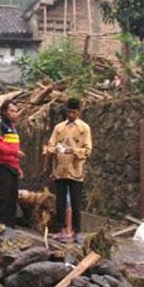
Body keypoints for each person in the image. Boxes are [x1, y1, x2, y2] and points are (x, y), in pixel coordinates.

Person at [46, 98, 92, 243]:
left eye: (74, 112)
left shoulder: (84, 129)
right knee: (60, 202)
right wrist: (55, 150)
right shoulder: (59, 128)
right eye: (69, 112)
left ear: (79, 112)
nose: (71, 114)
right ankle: (62, 230)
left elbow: (88, 150)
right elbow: (50, 146)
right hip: (60, 170)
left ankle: (77, 231)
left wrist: (74, 151)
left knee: (76, 202)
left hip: (75, 170)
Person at [0, 99, 25, 227]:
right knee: (3, 196)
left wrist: (18, 167)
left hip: (13, 166)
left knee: (12, 197)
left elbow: (15, 149)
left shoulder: (13, 128)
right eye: (11, 111)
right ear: (4, 111)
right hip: (3, 165)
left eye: (16, 111)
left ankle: (10, 224)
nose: (14, 114)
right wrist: (14, 153)